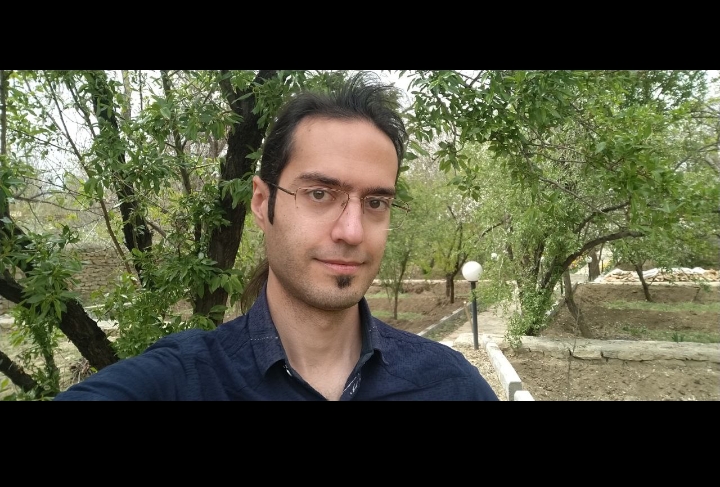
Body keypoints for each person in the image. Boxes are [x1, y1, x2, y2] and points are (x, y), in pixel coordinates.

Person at [55, 74, 498, 401]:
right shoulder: (178, 383)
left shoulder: (451, 385)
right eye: (320, 194)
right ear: (262, 202)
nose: (351, 231)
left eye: (376, 202)